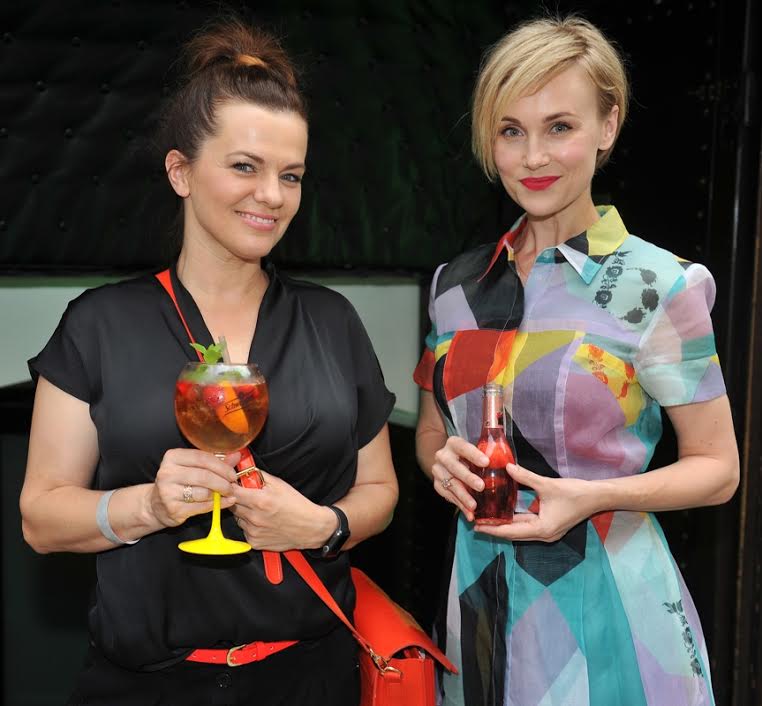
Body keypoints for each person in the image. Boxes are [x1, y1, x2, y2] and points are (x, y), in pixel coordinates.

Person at [20, 17, 398, 706]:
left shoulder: (332, 321)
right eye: (245, 167)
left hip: (311, 681)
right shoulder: (99, 325)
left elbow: (380, 489)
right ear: (181, 172)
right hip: (143, 687)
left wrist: (323, 526)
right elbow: (40, 519)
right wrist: (148, 506)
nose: (272, 195)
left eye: (291, 175)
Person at [414, 16, 739, 706]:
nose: (533, 156)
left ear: (607, 127)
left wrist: (594, 496)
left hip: (609, 600)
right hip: (478, 602)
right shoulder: (454, 287)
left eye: (559, 127)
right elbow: (434, 434)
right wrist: (440, 465)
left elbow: (718, 470)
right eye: (511, 131)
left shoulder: (659, 285)